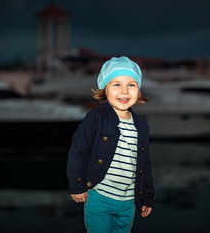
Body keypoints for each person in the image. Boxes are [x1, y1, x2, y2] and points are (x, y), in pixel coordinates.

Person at [66, 56, 155, 233]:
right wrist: (77, 185)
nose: (124, 91)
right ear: (104, 89)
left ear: (138, 90)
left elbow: (144, 163)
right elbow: (78, 151)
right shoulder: (96, 118)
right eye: (116, 84)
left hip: (129, 200)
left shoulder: (141, 125)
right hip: (100, 197)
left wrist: (147, 196)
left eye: (131, 85)